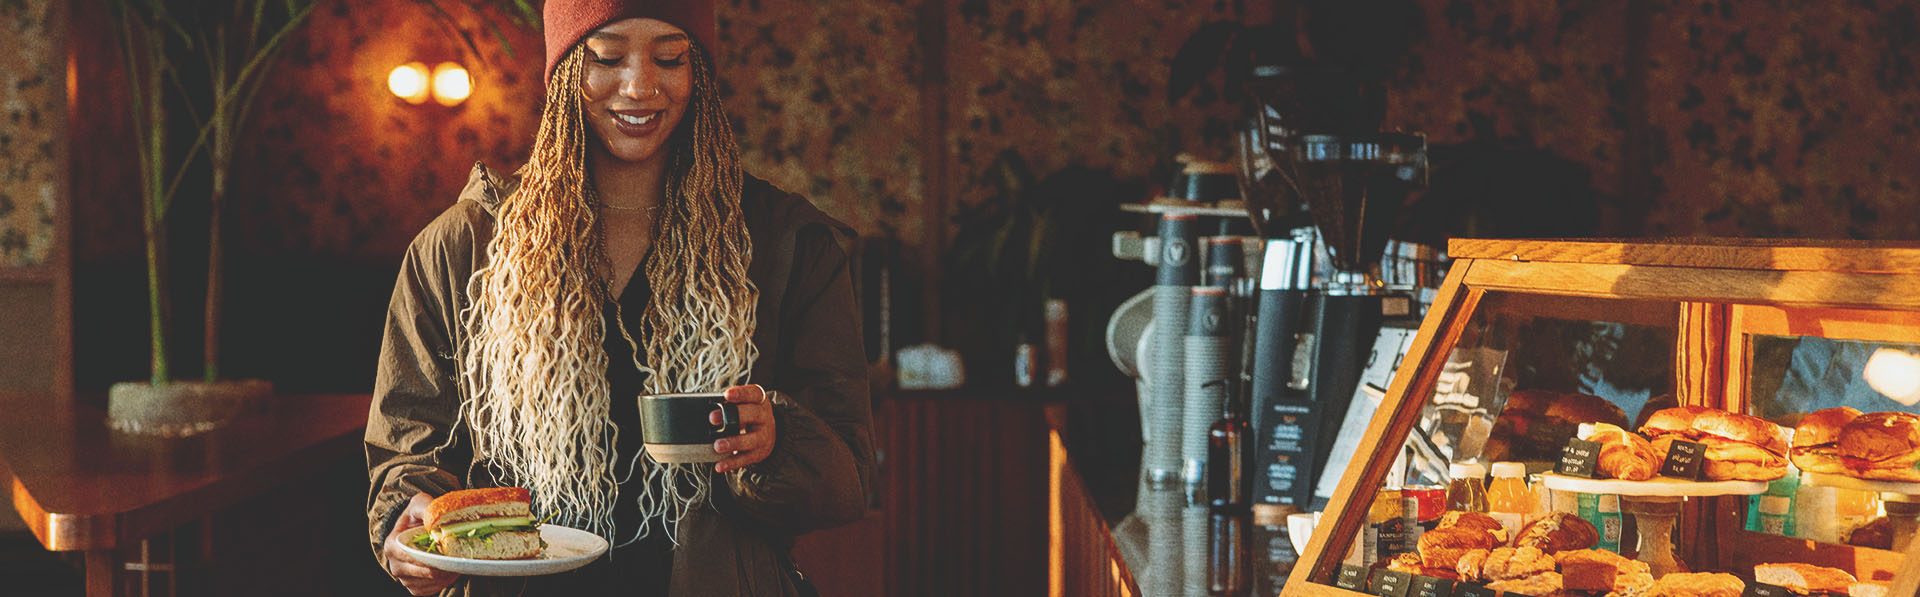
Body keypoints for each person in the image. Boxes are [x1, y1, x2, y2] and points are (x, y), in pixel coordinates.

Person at [363, 1, 873, 595]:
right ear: (563, 71)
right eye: (606, 57)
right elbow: (407, 456)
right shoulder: (463, 246)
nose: (639, 86)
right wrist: (409, 529)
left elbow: (849, 479)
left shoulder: (785, 244)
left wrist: (776, 442)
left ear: (699, 71)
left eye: (669, 57)